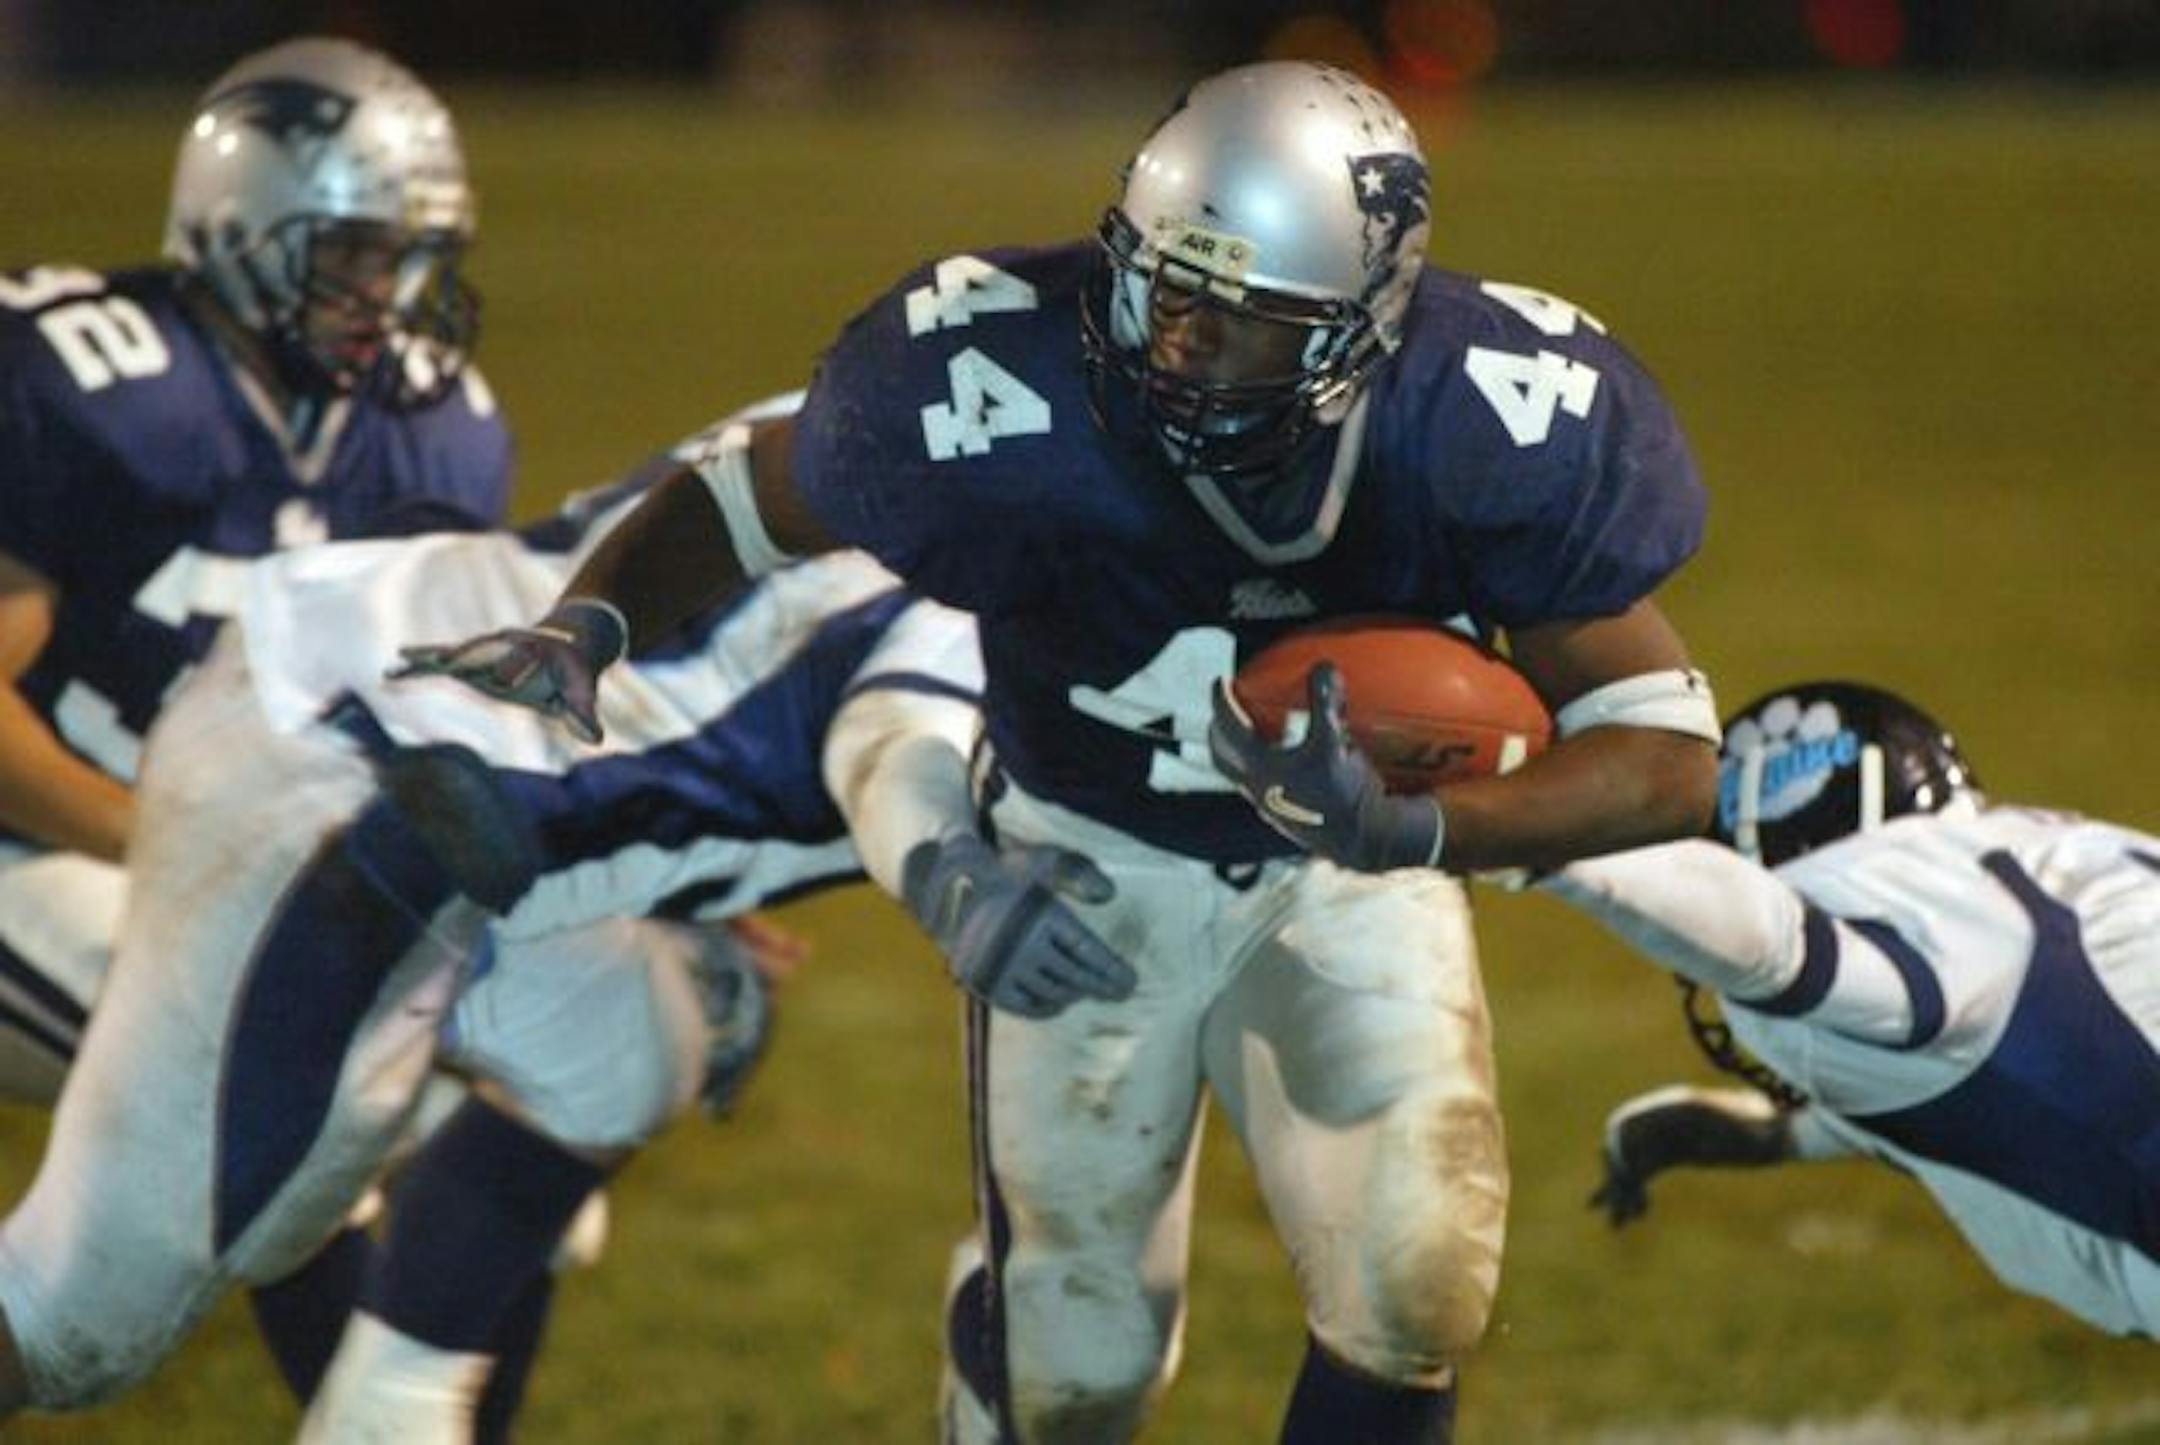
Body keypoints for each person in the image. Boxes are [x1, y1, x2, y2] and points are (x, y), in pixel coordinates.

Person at [397, 61, 1723, 1441]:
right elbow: (751, 494)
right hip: (1091, 851)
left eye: (1246, 321)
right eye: (1168, 289)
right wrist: (594, 616)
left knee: (1416, 1279)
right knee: (1080, 1373)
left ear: (1363, 330)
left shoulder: (1478, 416)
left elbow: (1666, 750)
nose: (1184, 347)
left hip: (1343, 882)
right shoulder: (1000, 372)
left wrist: (1412, 833)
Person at [0, 463, 987, 1435]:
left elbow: (716, 647)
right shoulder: (1022, 551)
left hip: (453, 767)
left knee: (633, 1038)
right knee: (82, 1321)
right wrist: (978, 894)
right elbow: (896, 739)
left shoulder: (939, 414)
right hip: (350, 777)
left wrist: (694, 884)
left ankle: (385, 1417)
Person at [0, 33, 508, 1097]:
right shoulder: (101, 389)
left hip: (210, 860)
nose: (391, 294)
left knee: (490, 1113)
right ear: (238, 222)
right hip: (33, 844)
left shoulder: (431, 437)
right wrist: (181, 844)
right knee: (273, 1078)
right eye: (356, 254)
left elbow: (447, 712)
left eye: (415, 257)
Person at [1546, 680, 2160, 1339]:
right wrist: (1791, 1135)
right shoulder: (2058, 850)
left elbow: (1780, 945)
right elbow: (2048, 1048)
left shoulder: (1871, 894)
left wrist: (1540, 842)